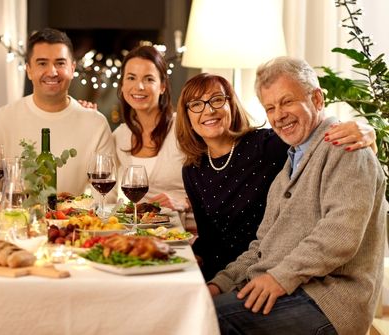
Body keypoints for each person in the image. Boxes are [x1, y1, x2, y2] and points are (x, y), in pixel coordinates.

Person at [208, 56, 385, 335]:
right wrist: (221, 283)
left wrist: (279, 277)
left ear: (317, 99)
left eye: (287, 101)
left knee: (209, 321)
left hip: (330, 302)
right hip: (293, 288)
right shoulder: (289, 167)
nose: (279, 115)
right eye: (270, 107)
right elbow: (261, 247)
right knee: (200, 308)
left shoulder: (346, 147)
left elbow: (340, 236)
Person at [175, 73, 376, 281]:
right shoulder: (192, 169)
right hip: (220, 274)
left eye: (217, 100)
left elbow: (317, 132)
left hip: (267, 268)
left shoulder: (267, 146)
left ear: (231, 105)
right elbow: (207, 237)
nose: (209, 110)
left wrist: (368, 132)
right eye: (196, 104)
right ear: (187, 115)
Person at [0, 28, 114, 203]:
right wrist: (5, 213)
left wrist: (78, 216)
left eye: (60, 63)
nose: (52, 72)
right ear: (28, 70)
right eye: (42, 63)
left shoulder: (96, 123)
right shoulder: (3, 119)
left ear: (72, 68)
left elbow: (107, 195)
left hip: (75, 226)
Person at [112, 45, 194, 230]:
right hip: (146, 232)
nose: (139, 86)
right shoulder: (120, 136)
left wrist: (184, 202)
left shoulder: (184, 127)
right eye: (131, 78)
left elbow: (216, 183)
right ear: (123, 85)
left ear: (163, 86)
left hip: (190, 233)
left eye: (149, 79)